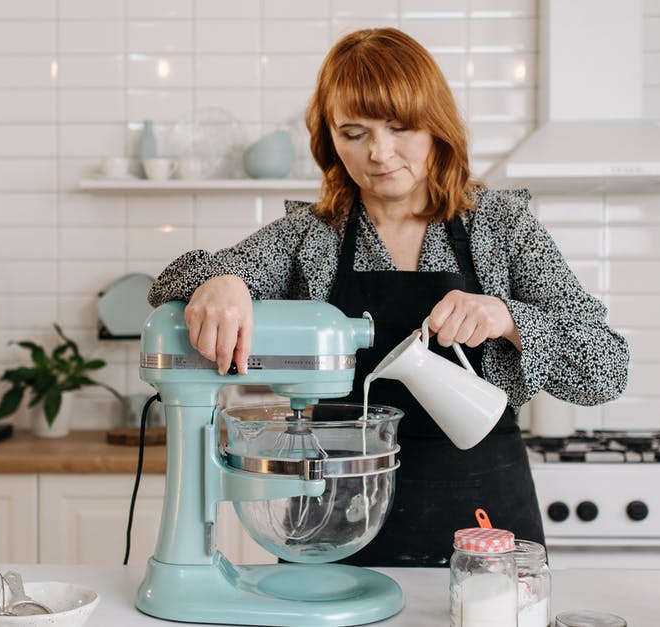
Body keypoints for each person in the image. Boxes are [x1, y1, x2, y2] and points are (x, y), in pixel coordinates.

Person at [147, 27, 629, 567]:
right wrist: (219, 281)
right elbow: (170, 282)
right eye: (354, 133)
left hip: (483, 522)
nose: (378, 153)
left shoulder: (502, 226)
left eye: (399, 127)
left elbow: (606, 371)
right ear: (330, 139)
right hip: (335, 518)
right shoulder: (312, 235)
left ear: (435, 125)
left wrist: (508, 317)